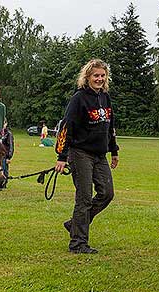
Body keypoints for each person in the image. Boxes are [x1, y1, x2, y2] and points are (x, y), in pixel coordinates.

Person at [54, 59, 119, 254]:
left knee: (107, 193)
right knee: (84, 198)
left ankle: (75, 224)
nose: (99, 79)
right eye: (95, 76)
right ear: (87, 77)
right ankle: (78, 243)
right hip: (80, 153)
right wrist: (61, 155)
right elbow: (67, 127)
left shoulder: (105, 98)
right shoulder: (79, 98)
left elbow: (110, 126)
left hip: (100, 155)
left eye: (102, 75)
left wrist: (114, 150)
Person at [0, 121, 14, 188]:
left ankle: (3, 184)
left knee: (4, 170)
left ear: (6, 124)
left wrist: (9, 157)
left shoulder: (9, 134)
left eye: (3, 123)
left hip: (5, 156)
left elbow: (11, 146)